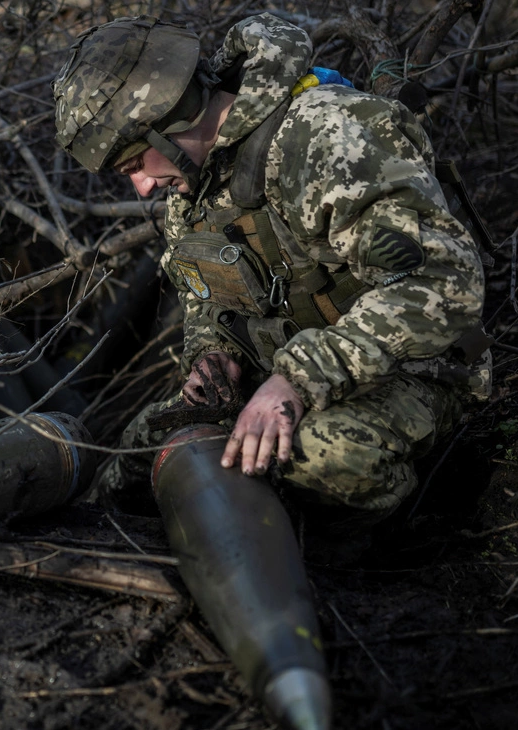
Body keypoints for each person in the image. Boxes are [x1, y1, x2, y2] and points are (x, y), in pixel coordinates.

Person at [52, 13, 492, 541]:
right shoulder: (193, 185)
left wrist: (297, 378)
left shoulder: (326, 136)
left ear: (165, 123)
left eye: (133, 165)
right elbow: (205, 299)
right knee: (139, 453)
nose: (143, 188)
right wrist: (214, 355)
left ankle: (397, 542)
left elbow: (441, 284)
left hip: (414, 369)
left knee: (324, 458)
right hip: (287, 377)